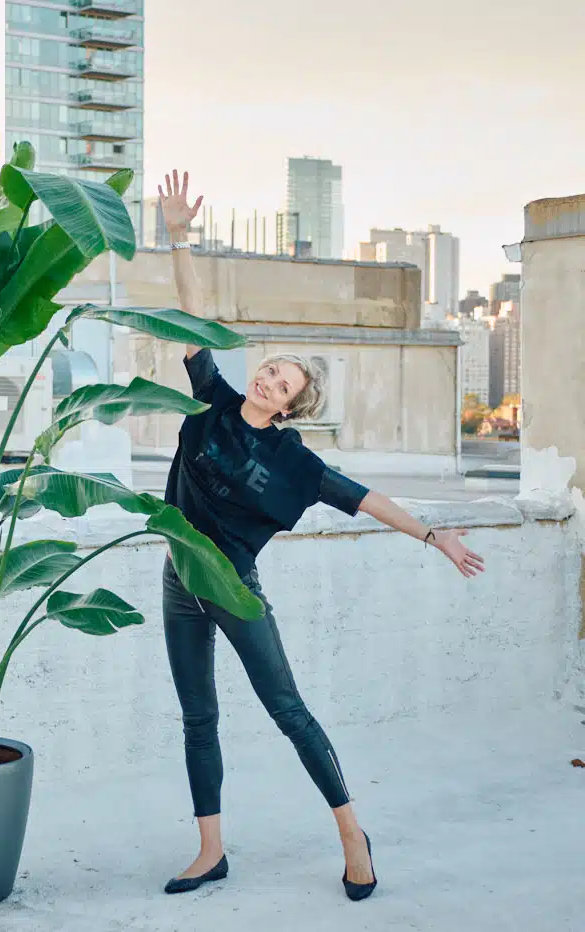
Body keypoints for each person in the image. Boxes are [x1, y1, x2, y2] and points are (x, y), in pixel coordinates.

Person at [156, 170, 485, 902]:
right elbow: (192, 314)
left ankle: (349, 833)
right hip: (179, 580)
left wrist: (435, 536)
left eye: (284, 384)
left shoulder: (295, 464)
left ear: (294, 406)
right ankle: (210, 850)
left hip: (234, 591)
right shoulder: (211, 398)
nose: (270, 380)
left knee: (289, 712)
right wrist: (180, 237)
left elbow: (366, 500)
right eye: (270, 368)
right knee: (198, 716)